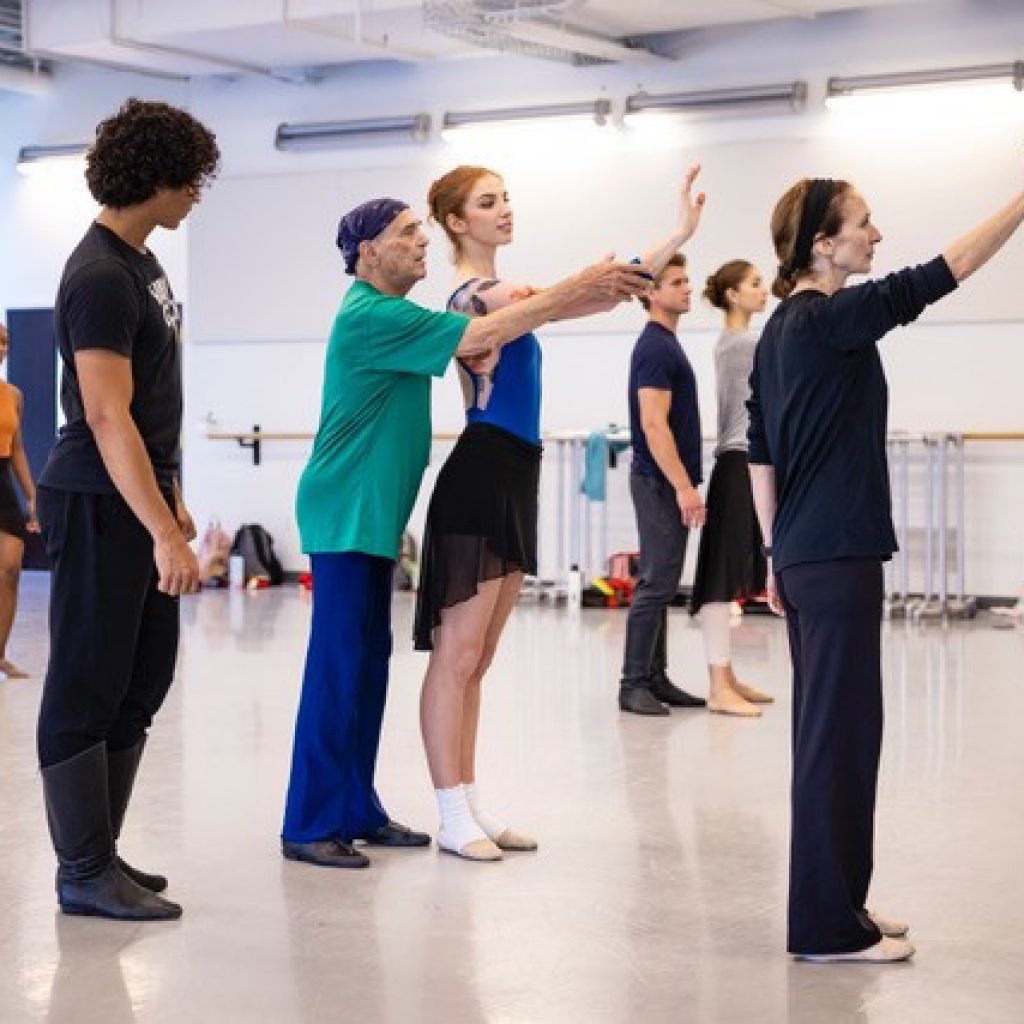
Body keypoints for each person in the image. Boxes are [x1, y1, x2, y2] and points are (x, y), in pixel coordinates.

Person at [281, 196, 649, 870]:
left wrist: (597, 284)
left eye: (420, 231)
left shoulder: (400, 316)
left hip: (372, 515)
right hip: (343, 512)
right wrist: (579, 284)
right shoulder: (370, 314)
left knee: (366, 667)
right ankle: (309, 822)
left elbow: (501, 326)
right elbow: (484, 336)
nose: (420, 242)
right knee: (337, 669)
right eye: (404, 234)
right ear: (366, 254)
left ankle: (355, 807)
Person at [748, 174, 1024, 963]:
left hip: (807, 554)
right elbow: (950, 269)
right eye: (864, 225)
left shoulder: (779, 332)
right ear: (823, 245)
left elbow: (759, 451)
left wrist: (774, 554)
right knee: (838, 738)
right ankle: (825, 929)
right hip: (833, 553)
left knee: (841, 734)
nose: (877, 236)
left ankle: (844, 905)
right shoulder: (832, 318)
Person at [414, 166, 705, 860]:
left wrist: (677, 237)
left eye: (507, 198)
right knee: (457, 655)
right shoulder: (475, 294)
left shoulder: (511, 293)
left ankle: (471, 804)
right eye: (488, 203)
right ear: (456, 222)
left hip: (517, 471)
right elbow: (579, 294)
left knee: (479, 659)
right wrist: (643, 254)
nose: (505, 210)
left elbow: (603, 295)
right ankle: (449, 812)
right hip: (480, 473)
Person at [36, 99, 218, 921]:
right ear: (156, 177)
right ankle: (81, 872)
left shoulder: (142, 261)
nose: (196, 196)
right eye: (191, 181)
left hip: (143, 495)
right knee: (86, 681)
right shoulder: (100, 275)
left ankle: (99, 856)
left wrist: (175, 506)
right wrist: (162, 535)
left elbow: (151, 410)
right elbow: (106, 417)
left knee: (140, 680)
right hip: (98, 501)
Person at [618, 253, 709, 716]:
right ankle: (632, 683)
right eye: (676, 281)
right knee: (655, 583)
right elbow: (654, 425)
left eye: (687, 280)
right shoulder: (654, 347)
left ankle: (655, 677)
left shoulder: (666, 344)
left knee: (664, 580)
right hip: (658, 481)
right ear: (650, 293)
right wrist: (683, 487)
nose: (687, 287)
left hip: (664, 480)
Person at [689, 261, 774, 717]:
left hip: (741, 460)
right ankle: (718, 685)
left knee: (733, 572)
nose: (764, 292)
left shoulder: (733, 342)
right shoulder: (746, 344)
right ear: (733, 296)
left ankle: (727, 677)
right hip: (739, 461)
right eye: (755, 285)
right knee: (721, 577)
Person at [0, 322, 40, 679]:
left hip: (2, 483)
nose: (2, 346)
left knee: (11, 568)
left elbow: (18, 450)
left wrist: (32, 495)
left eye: (5, 341)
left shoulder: (13, 395)